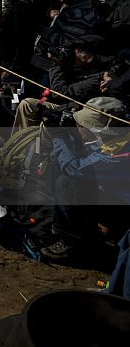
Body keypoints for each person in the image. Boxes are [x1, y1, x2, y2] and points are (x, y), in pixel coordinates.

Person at [43, 97, 130, 260]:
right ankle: (61, 218)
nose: (78, 126)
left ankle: (72, 241)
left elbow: (73, 167)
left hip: (121, 207)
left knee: (67, 180)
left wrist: (59, 136)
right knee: (60, 161)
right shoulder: (121, 129)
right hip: (110, 191)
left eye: (82, 125)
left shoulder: (117, 152)